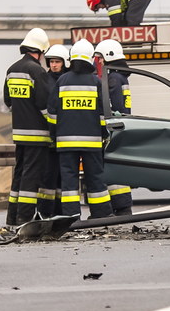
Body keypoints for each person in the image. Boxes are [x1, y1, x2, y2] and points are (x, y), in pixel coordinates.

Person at [48, 40, 113, 219]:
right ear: (89, 58)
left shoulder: (62, 80)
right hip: (92, 142)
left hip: (65, 141)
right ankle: (101, 214)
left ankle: (71, 217)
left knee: (69, 180)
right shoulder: (95, 82)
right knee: (95, 178)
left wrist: (53, 135)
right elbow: (103, 113)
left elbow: (52, 112)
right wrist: (104, 134)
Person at [2, 28, 52, 226]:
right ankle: (25, 217)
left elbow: (8, 101)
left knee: (20, 174)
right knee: (31, 177)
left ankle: (12, 216)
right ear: (40, 51)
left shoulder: (11, 70)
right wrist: (54, 125)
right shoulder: (37, 71)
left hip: (19, 134)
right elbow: (44, 104)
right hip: (37, 135)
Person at [93, 39, 134, 216]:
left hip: (113, 129)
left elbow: (114, 107)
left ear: (109, 57)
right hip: (120, 128)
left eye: (100, 59)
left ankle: (121, 207)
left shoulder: (114, 79)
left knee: (111, 168)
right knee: (117, 169)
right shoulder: (121, 76)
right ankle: (122, 206)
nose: (99, 62)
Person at [37, 44, 69, 218]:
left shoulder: (67, 80)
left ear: (64, 63)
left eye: (57, 62)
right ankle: (45, 212)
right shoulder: (45, 79)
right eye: (51, 61)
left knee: (62, 177)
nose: (54, 65)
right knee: (48, 177)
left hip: (65, 135)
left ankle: (62, 212)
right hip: (48, 136)